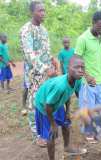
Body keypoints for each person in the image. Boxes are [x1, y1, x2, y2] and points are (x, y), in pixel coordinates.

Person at [19, 1, 58, 146]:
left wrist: (52, 59)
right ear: (32, 12)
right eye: (40, 11)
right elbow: (30, 55)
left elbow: (45, 50)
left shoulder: (44, 30)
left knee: (46, 100)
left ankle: (46, 127)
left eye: (44, 11)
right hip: (34, 75)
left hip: (46, 73)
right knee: (33, 103)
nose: (43, 13)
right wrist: (45, 69)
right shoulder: (25, 30)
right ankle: (36, 135)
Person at [35, 55, 87, 160]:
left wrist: (67, 111)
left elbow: (68, 94)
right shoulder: (60, 86)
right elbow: (47, 106)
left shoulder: (77, 80)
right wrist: (53, 124)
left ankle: (67, 148)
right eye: (76, 67)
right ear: (68, 68)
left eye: (82, 67)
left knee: (66, 124)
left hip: (55, 102)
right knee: (51, 134)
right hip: (44, 105)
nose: (80, 70)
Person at [75, 11, 101, 142]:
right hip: (88, 83)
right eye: (100, 26)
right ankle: (88, 131)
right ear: (93, 23)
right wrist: (87, 76)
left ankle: (96, 127)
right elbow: (76, 62)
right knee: (87, 109)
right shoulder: (82, 39)